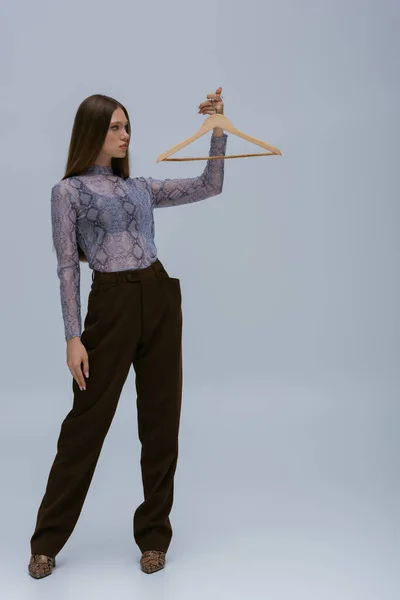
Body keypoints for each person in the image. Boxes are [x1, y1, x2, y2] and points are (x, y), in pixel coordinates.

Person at [28, 88, 227, 579]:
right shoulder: (68, 192)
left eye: (126, 126)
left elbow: (210, 185)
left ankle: (154, 538)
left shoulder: (140, 187)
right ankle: (47, 541)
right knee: (85, 424)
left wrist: (217, 131)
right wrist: (73, 336)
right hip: (111, 303)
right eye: (114, 127)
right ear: (91, 132)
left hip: (159, 296)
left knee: (161, 420)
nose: (124, 134)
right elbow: (67, 270)